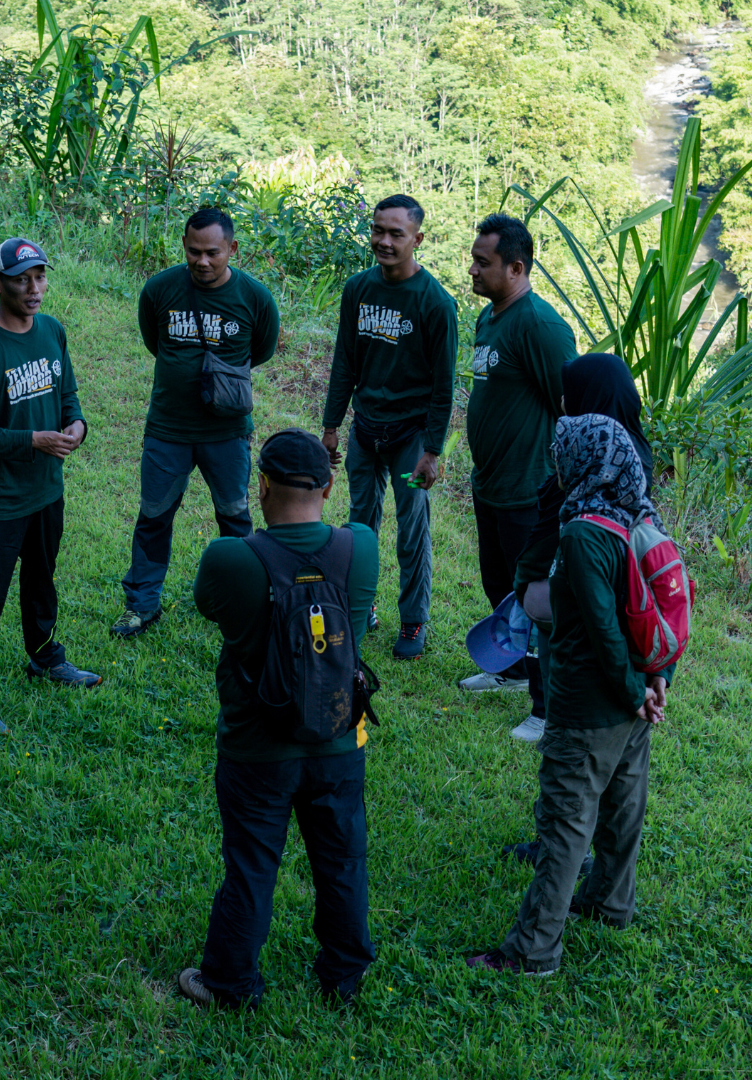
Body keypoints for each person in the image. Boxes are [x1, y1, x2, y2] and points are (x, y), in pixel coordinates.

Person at [177, 429, 378, 1009]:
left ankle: (230, 983)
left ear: (260, 485)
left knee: (251, 867)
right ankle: (344, 977)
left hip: (256, 749)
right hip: (341, 742)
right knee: (343, 863)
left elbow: (209, 606)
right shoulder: (359, 548)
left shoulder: (230, 558)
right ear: (329, 486)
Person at [467, 415, 672, 975]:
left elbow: (604, 629)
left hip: (590, 704)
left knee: (565, 824)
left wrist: (634, 692)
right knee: (623, 808)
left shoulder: (583, 531)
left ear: (583, 460)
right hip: (635, 704)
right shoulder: (639, 515)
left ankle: (532, 951)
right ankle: (610, 903)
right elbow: (663, 601)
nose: (556, 466)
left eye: (563, 455)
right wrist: (656, 682)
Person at [0, 238, 100, 734]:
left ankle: (44, 657)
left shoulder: (52, 332)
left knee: (43, 580)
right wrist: (30, 440)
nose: (34, 289)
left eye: (40, 277)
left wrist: (76, 425)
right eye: (21, 279)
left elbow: (69, 396)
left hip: (47, 491)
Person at [112, 208, 280, 638]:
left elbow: (260, 350)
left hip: (226, 432)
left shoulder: (256, 298)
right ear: (183, 247)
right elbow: (154, 340)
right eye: (192, 252)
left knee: (235, 517)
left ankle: (240, 600)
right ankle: (142, 604)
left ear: (232, 249)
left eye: (212, 253)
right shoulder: (159, 289)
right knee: (154, 516)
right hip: (168, 428)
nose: (202, 262)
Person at [321, 194, 457, 658]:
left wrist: (431, 451)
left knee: (411, 530)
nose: (384, 240)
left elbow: (444, 386)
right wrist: (332, 425)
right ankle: (361, 607)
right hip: (365, 431)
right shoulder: (358, 289)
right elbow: (345, 361)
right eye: (378, 230)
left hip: (409, 440)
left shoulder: (436, 303)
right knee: (360, 524)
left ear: (417, 239)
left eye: (396, 233)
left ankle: (414, 622)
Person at [461, 214, 578, 734]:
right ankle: (507, 670)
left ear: (516, 267)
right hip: (490, 483)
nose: (472, 270)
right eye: (474, 259)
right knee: (498, 584)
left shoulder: (540, 325)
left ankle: (544, 707)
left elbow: (571, 407)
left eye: (483, 263)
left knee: (534, 600)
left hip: (530, 488)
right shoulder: (491, 319)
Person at [506, 351, 654, 746]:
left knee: (567, 654)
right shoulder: (635, 450)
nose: (562, 402)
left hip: (574, 584)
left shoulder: (593, 458)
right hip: (609, 586)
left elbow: (555, 537)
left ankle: (551, 720)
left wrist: (527, 582)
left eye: (570, 394)